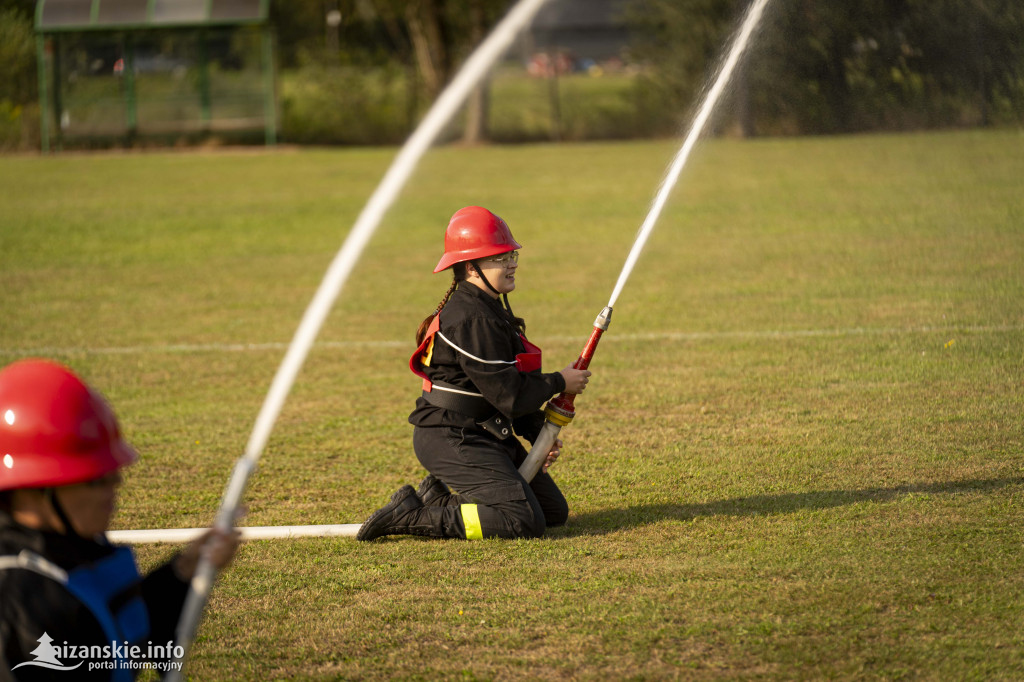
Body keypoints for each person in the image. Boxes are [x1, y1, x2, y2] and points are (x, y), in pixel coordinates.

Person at [357, 206, 591, 541]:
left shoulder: (490, 309)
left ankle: (436, 500)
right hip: (452, 438)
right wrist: (558, 382)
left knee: (553, 513)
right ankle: (413, 515)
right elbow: (509, 395)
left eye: (511, 254)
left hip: (486, 433)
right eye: (499, 257)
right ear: (471, 267)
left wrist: (538, 430)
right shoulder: (471, 319)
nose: (511, 263)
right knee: (522, 521)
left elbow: (502, 387)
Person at [0, 359, 239, 681]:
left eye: (112, 471)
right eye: (95, 478)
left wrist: (183, 571)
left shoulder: (65, 550)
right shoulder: (19, 602)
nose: (116, 484)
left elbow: (109, 637)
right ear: (34, 489)